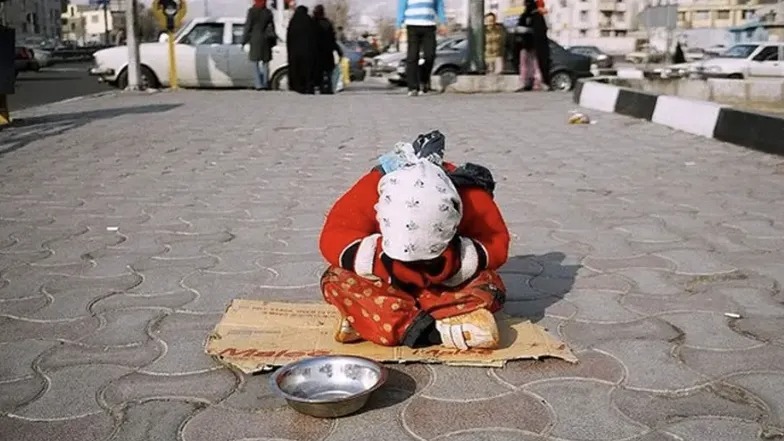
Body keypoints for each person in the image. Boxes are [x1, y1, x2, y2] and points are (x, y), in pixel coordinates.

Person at [319, 130, 511, 350]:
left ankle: (372, 321)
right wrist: (375, 260)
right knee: (335, 279)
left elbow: (495, 241)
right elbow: (335, 235)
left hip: (446, 283)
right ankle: (432, 328)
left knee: (489, 285)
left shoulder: (471, 195)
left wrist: (458, 260)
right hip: (384, 278)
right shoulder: (371, 189)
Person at [396, 0, 448, 96]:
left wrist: (443, 22)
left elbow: (439, 6)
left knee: (430, 55)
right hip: (412, 26)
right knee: (412, 56)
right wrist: (398, 26)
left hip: (429, 26)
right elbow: (401, 8)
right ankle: (412, 87)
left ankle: (423, 80)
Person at [242, 0, 276, 91]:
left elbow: (248, 26)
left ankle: (258, 84)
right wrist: (273, 41)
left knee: (255, 62)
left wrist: (244, 40)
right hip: (266, 40)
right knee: (265, 63)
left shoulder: (252, 11)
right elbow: (272, 27)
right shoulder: (268, 12)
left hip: (255, 39)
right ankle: (265, 83)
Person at [518, 0, 551, 91]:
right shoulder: (532, 16)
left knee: (532, 64)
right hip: (529, 45)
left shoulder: (535, 16)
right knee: (529, 64)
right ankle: (530, 82)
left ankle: (533, 82)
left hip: (532, 46)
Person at [312, 4, 343, 94]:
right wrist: (338, 51)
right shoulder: (327, 23)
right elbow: (332, 39)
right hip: (327, 52)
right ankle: (328, 87)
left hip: (316, 52)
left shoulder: (312, 23)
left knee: (318, 71)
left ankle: (319, 86)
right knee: (328, 71)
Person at [286, 5, 317, 94]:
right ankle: (308, 87)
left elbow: (289, 38)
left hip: (295, 52)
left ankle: (297, 87)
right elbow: (314, 37)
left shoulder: (293, 21)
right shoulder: (309, 21)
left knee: (296, 69)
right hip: (307, 51)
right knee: (307, 70)